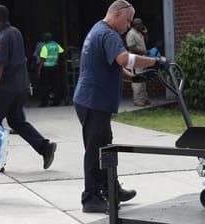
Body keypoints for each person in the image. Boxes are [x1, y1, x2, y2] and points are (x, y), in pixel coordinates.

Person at [73, 0, 169, 213]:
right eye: (127, 21)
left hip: (93, 100)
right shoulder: (108, 34)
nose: (128, 26)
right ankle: (90, 198)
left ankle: (111, 189)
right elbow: (124, 58)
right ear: (117, 15)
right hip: (93, 100)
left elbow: (113, 66)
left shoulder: (98, 30)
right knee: (95, 149)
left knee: (105, 146)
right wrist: (155, 61)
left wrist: (135, 79)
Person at [0, 5, 57, 170]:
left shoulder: (0, 38)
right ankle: (44, 147)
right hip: (21, 86)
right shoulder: (15, 32)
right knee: (17, 121)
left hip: (5, 88)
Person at [126, 18, 151, 106]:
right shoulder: (131, 34)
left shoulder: (139, 33)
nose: (141, 25)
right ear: (134, 25)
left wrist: (145, 33)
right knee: (137, 79)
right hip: (135, 60)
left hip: (142, 59)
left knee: (144, 79)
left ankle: (144, 99)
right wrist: (143, 51)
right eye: (139, 24)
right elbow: (131, 47)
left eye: (141, 24)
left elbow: (146, 43)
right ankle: (137, 100)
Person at [37, 32, 64, 107]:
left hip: (46, 68)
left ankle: (45, 103)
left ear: (45, 39)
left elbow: (42, 60)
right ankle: (56, 102)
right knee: (56, 85)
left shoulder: (45, 47)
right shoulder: (56, 45)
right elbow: (61, 52)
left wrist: (39, 70)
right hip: (55, 67)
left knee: (45, 86)